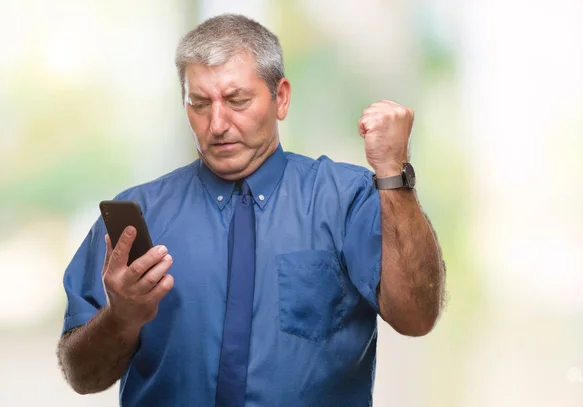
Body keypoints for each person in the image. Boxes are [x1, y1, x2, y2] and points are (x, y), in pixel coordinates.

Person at [57, 13, 446, 407]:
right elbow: (82, 377)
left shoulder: (347, 200)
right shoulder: (137, 218)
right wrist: (121, 318)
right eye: (200, 103)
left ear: (281, 98)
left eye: (237, 100)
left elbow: (416, 317)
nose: (218, 124)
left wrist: (392, 173)